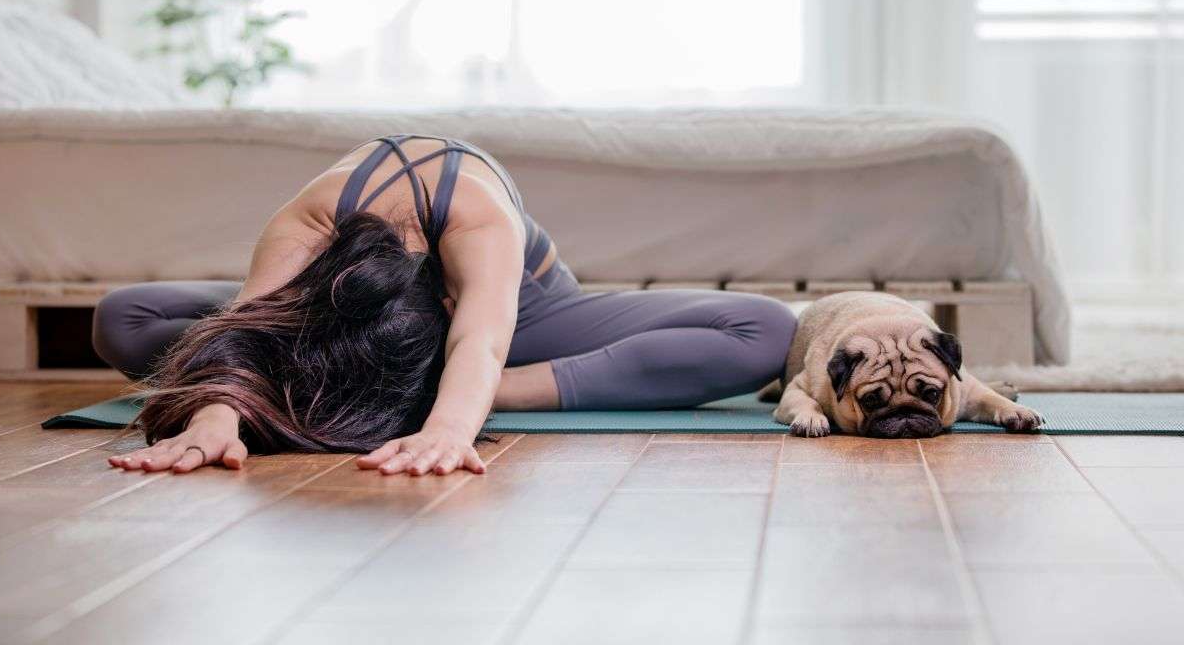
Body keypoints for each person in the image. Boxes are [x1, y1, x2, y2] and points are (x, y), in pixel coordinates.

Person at [95, 135, 796, 477]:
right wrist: (217, 415)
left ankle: (471, 393)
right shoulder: (307, 222)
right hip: (337, 320)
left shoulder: (477, 222)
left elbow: (479, 343)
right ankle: (374, 373)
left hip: (527, 318)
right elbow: (244, 334)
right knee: (125, 319)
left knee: (762, 328)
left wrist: (452, 424)